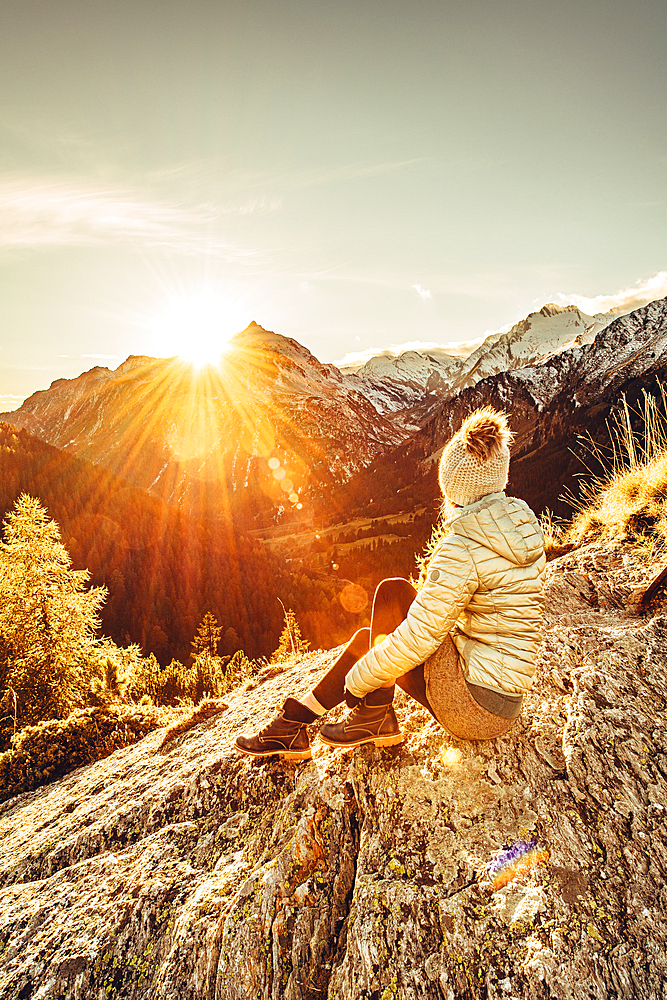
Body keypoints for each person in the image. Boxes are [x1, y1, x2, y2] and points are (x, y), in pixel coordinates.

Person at [235, 407, 546, 761]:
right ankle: (293, 725)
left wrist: (359, 682)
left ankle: (373, 714)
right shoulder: (523, 523)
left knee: (393, 593)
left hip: (473, 708)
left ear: (455, 487)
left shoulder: (464, 546)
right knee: (370, 636)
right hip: (504, 700)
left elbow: (418, 638)